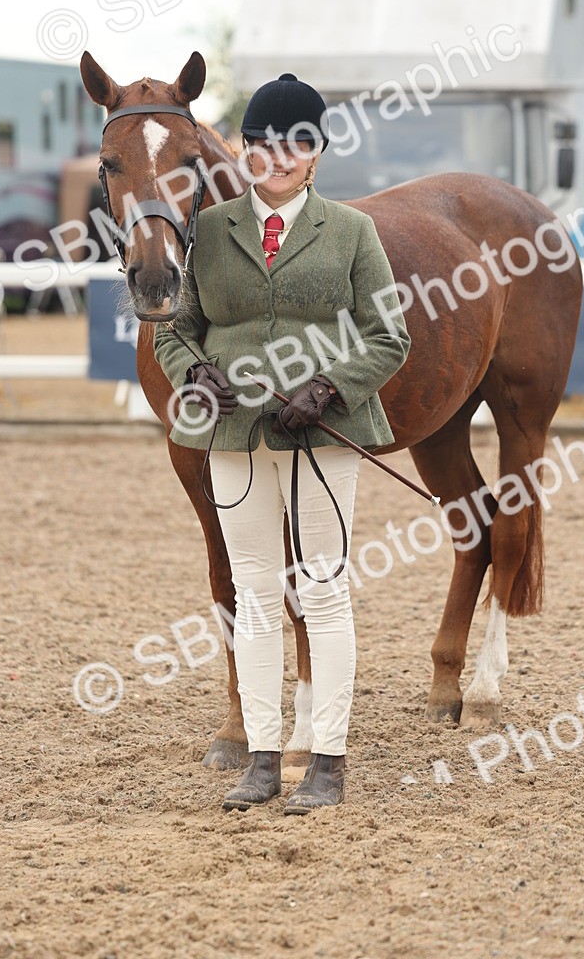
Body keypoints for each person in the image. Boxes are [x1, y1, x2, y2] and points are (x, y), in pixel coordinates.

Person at [152, 72, 410, 815]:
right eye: (263, 143)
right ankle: (263, 759)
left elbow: (390, 334)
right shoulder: (206, 233)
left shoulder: (353, 232)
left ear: (317, 154)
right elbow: (174, 326)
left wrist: (328, 387)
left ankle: (326, 760)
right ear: (245, 147)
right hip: (232, 435)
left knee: (323, 592)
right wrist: (195, 373)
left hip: (322, 436)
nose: (279, 157)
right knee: (256, 596)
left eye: (297, 143)